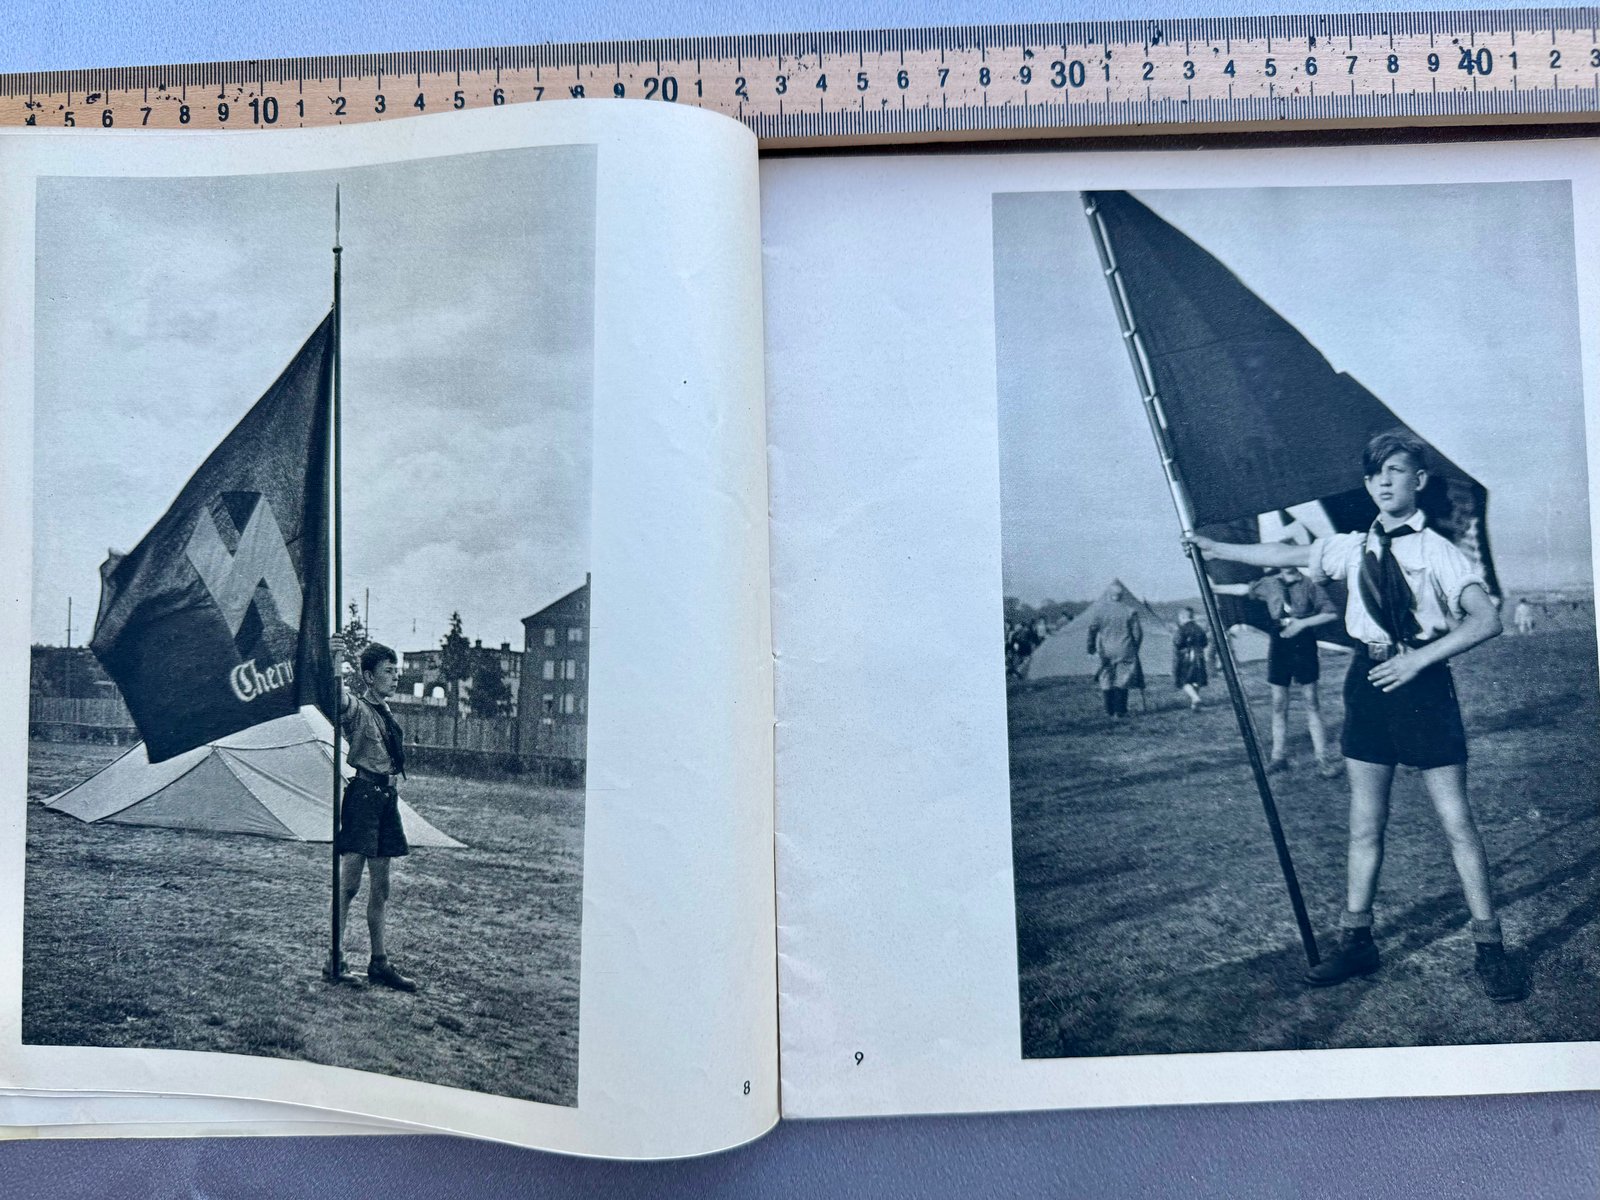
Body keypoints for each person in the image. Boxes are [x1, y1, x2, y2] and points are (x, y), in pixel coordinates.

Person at [1188, 429, 1523, 1002]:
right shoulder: (1349, 547)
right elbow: (1284, 555)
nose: (1384, 482)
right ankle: (1358, 940)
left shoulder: (1438, 550)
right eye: (1375, 474)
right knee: (1365, 823)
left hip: (1424, 687)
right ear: (1366, 485)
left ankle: (1490, 949)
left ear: (1419, 480)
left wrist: (1418, 659)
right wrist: (1213, 548)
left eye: (1396, 471)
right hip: (1367, 686)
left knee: (1456, 823)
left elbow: (1486, 619)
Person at [326, 638, 419, 992]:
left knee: (382, 887)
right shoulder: (359, 709)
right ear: (368, 676)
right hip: (363, 797)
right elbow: (337, 699)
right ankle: (334, 958)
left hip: (385, 799)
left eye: (396, 671)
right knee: (349, 885)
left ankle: (379, 963)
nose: (395, 677)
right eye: (388, 671)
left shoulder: (386, 711)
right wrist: (335, 659)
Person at [1215, 561, 1342, 777]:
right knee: (1278, 703)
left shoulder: (1309, 584)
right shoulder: (1270, 583)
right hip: (1279, 641)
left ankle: (1323, 759)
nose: (1285, 565)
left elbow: (1331, 613)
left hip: (1303, 641)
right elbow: (1244, 589)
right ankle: (1278, 757)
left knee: (1311, 701)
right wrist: (1214, 588)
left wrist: (1302, 624)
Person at [1087, 585, 1144, 718]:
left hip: (1105, 650)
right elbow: (1138, 633)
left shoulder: (1099, 611)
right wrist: (1135, 648)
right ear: (1121, 596)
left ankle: (1109, 710)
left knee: (1106, 678)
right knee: (1123, 679)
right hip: (1125, 649)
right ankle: (1120, 711)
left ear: (1108, 595)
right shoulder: (1130, 611)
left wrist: (1091, 647)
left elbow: (1092, 630)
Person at [1171, 607, 1208, 710]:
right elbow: (1205, 643)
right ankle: (1194, 704)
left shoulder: (1182, 629)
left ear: (1183, 617)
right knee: (1196, 680)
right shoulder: (1199, 628)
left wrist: (1174, 638)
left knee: (1184, 681)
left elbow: (1177, 643)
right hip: (1199, 657)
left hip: (1186, 658)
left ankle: (1195, 698)